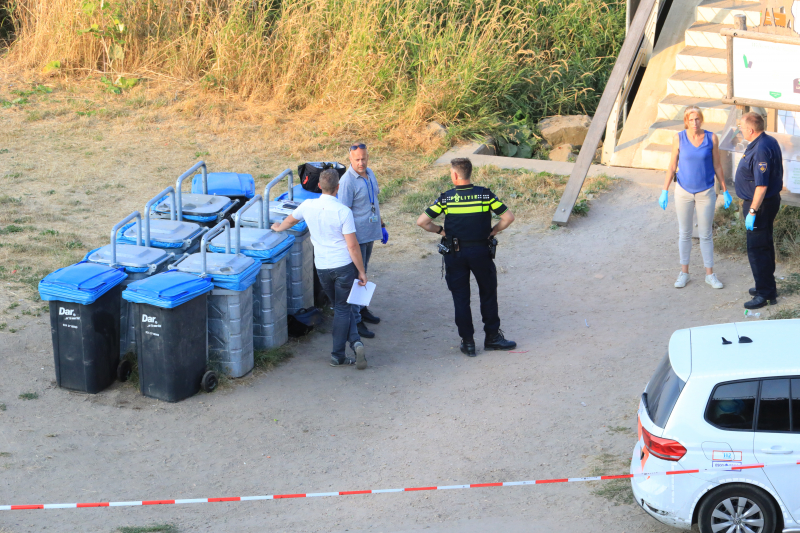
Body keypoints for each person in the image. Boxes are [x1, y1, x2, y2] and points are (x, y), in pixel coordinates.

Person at [416, 157, 516, 357]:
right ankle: (492, 337)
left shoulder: (446, 198)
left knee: (461, 298)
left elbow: (422, 222)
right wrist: (493, 231)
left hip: (455, 253)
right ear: (469, 173)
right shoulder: (484, 195)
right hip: (481, 252)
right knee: (487, 293)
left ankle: (468, 342)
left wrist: (440, 231)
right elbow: (508, 217)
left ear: (454, 174)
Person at [271, 169, 368, 369]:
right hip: (343, 266)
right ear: (338, 188)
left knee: (341, 308)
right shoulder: (343, 212)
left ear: (319, 186)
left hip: (322, 267)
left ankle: (355, 342)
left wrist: (278, 228)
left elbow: (290, 220)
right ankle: (339, 354)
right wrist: (361, 271)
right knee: (343, 308)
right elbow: (352, 246)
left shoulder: (307, 205)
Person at [659, 105, 733, 290]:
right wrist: (664, 190)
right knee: (684, 233)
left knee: (706, 234)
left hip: (706, 191)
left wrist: (724, 189)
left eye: (697, 119)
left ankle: (710, 275)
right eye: (691, 119)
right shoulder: (679, 138)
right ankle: (684, 273)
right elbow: (671, 166)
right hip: (683, 191)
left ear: (702, 119)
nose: (694, 123)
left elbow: (717, 165)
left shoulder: (711, 138)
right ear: (686, 121)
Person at [734, 112, 784, 310]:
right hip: (766, 202)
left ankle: (765, 293)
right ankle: (767, 287)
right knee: (765, 245)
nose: (740, 129)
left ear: (751, 129)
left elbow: (761, 186)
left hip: (760, 204)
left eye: (742, 127)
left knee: (757, 250)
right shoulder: (767, 140)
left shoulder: (761, 149)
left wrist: (752, 211)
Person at [338, 143, 387, 339]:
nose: (361, 162)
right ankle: (356, 321)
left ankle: (362, 308)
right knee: (359, 276)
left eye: (364, 158)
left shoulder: (370, 174)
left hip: (370, 233)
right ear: (350, 159)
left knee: (364, 272)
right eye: (357, 159)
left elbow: (374, 201)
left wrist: (382, 225)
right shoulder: (347, 182)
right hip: (356, 238)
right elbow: (342, 213)